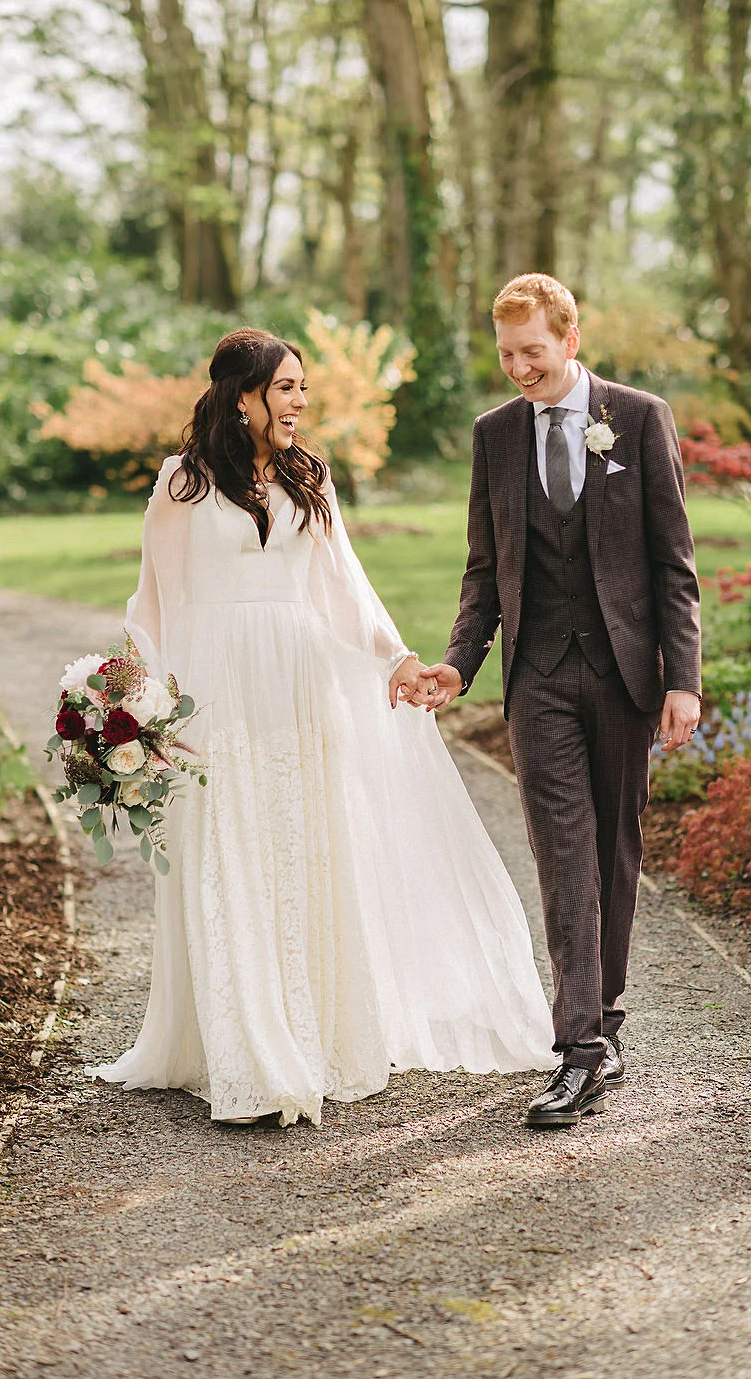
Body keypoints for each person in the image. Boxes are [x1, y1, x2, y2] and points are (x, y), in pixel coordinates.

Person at [86, 327, 556, 1126]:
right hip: (218, 689)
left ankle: (312, 1035)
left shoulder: (312, 478)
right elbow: (153, 604)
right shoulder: (184, 483)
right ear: (243, 396)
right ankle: (249, 1050)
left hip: (301, 686)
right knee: (231, 853)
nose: (300, 401)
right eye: (285, 388)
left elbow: (344, 590)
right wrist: (145, 707)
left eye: (302, 388)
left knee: (303, 850)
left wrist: (396, 658)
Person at [423, 274, 702, 1128]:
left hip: (622, 677)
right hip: (537, 677)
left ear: (568, 340)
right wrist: (457, 665)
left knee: (615, 850)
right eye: (506, 354)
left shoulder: (640, 417)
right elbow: (484, 570)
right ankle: (578, 1047)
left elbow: (672, 566)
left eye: (531, 352)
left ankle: (603, 1018)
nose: (517, 369)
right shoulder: (493, 436)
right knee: (562, 853)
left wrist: (682, 680)